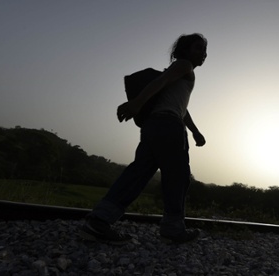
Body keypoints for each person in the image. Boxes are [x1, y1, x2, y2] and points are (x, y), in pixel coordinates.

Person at [80, 33, 208, 245]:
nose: (203, 54)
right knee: (177, 176)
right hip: (168, 127)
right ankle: (172, 229)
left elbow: (181, 108)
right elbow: (162, 81)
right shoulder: (184, 65)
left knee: (138, 173)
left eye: (205, 50)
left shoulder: (179, 71)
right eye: (198, 48)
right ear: (185, 50)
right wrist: (137, 103)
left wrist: (195, 131)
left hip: (154, 126)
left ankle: (99, 221)